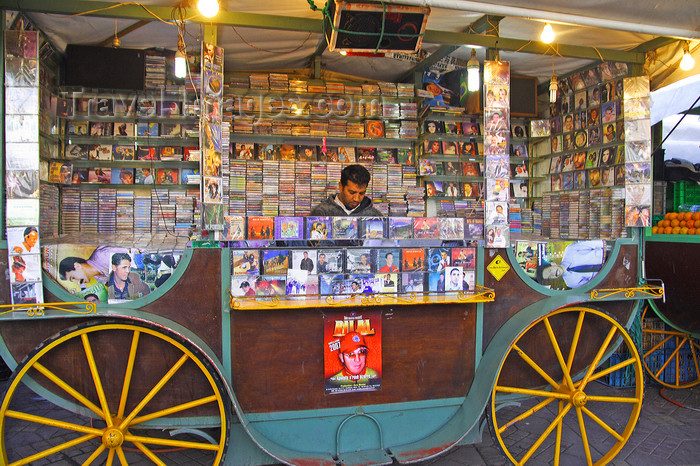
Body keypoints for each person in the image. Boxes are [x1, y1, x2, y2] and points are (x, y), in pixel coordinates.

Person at [310, 164, 383, 216]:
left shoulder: (375, 216)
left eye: (361, 193)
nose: (356, 199)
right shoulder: (321, 213)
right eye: (352, 192)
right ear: (341, 187)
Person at [537, 240, 605, 289]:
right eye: (550, 277)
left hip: (607, 255)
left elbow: (593, 244)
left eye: (550, 271)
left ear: (553, 264)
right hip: (605, 276)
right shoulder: (570, 283)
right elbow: (592, 285)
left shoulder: (570, 250)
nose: (553, 274)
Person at [59, 246, 129, 285]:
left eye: (73, 277)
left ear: (77, 266)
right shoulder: (98, 278)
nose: (77, 283)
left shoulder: (102, 256)